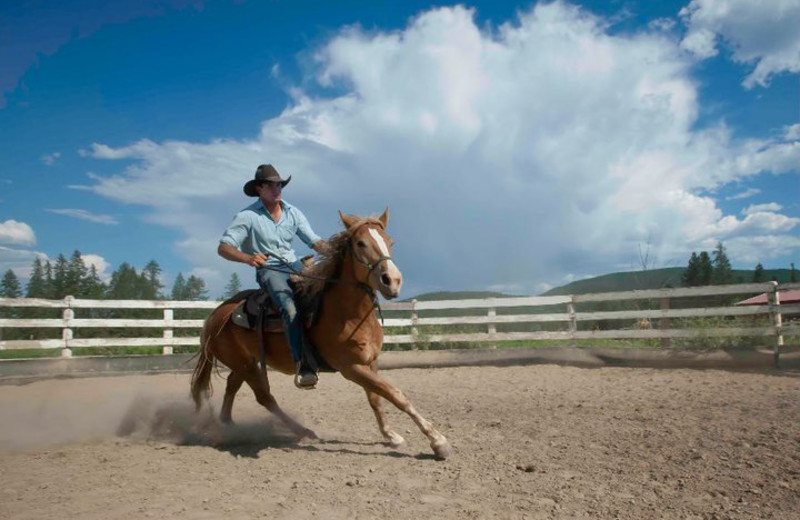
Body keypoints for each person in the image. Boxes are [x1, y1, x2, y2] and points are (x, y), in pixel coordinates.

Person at [218, 164, 327, 389]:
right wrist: (248, 258)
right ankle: (302, 364)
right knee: (289, 308)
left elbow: (313, 240)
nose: (277, 189)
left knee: (327, 295)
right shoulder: (247, 216)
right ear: (259, 188)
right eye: (270, 185)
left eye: (279, 184)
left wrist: (338, 251)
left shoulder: (293, 212)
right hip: (270, 269)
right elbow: (224, 247)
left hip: (296, 265)